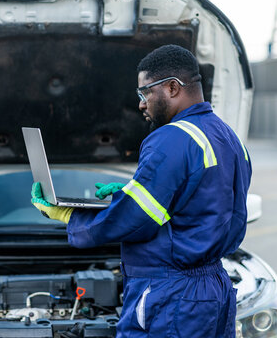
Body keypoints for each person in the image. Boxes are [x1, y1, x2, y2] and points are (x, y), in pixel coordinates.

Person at [30, 44, 252, 337]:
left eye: (145, 92)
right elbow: (202, 201)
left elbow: (134, 219)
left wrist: (67, 215)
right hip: (213, 290)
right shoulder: (229, 138)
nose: (141, 104)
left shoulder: (171, 138)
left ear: (172, 88)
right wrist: (132, 191)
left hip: (172, 295)